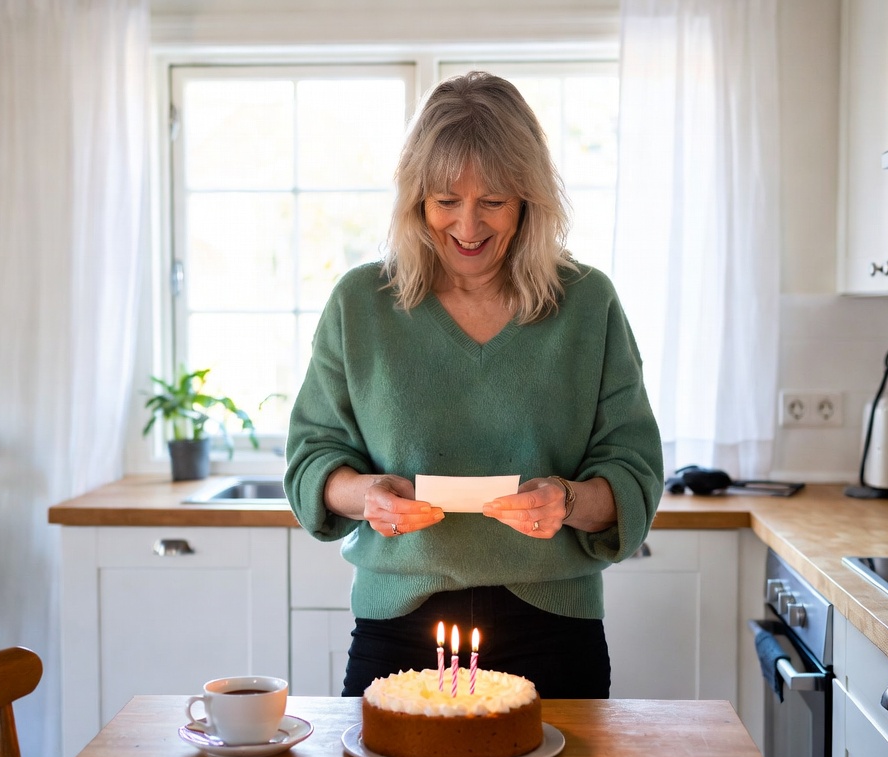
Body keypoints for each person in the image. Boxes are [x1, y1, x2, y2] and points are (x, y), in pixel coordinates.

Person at [283, 71, 663, 699]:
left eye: (492, 201)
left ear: (528, 200)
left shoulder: (587, 303)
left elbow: (633, 471)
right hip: (398, 625)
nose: (467, 225)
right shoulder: (361, 303)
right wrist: (364, 495)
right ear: (415, 201)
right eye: (444, 200)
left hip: (555, 627)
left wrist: (566, 501)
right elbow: (310, 461)